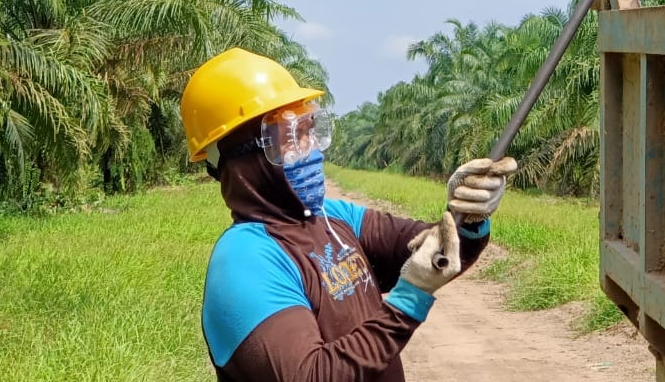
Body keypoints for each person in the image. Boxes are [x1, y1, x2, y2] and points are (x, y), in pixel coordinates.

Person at [181, 47, 518, 382]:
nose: (310, 149)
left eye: (309, 130)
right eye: (288, 137)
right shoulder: (245, 260)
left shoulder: (334, 218)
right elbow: (310, 376)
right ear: (242, 162)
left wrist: (468, 219)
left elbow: (435, 250)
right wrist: (408, 298)